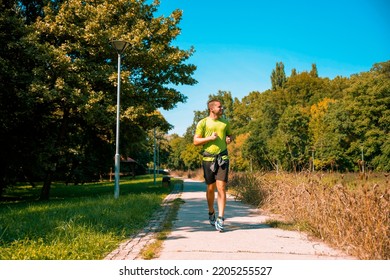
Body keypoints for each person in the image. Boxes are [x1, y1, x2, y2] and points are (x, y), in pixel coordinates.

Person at [193, 99, 233, 232]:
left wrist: (229, 139)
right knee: (211, 188)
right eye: (219, 107)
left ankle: (221, 218)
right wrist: (209, 138)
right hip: (208, 158)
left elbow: (230, 136)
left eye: (222, 107)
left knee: (221, 187)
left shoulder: (225, 122)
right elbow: (196, 141)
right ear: (212, 109)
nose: (222, 109)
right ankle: (211, 212)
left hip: (223, 157)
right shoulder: (203, 122)